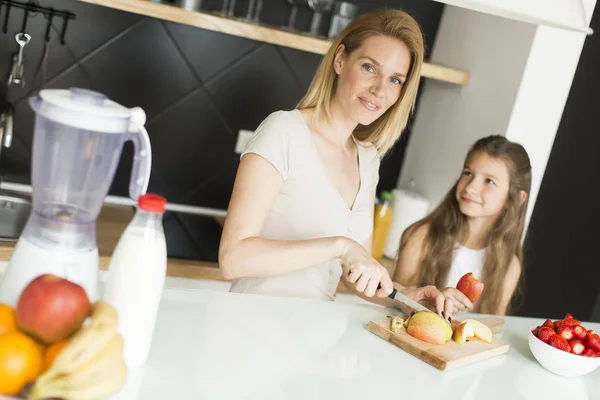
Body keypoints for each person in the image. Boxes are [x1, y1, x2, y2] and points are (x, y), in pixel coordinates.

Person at [218, 8, 454, 319]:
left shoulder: (367, 159)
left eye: (395, 79)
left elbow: (355, 274)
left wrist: (406, 298)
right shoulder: (284, 132)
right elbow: (233, 258)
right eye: (370, 68)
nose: (380, 90)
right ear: (340, 59)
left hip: (310, 345)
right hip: (248, 333)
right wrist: (340, 245)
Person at [393, 135, 532, 316]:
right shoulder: (421, 236)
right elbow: (395, 301)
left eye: (489, 181)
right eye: (468, 173)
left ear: (515, 199)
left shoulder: (509, 265)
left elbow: (494, 325)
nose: (471, 187)